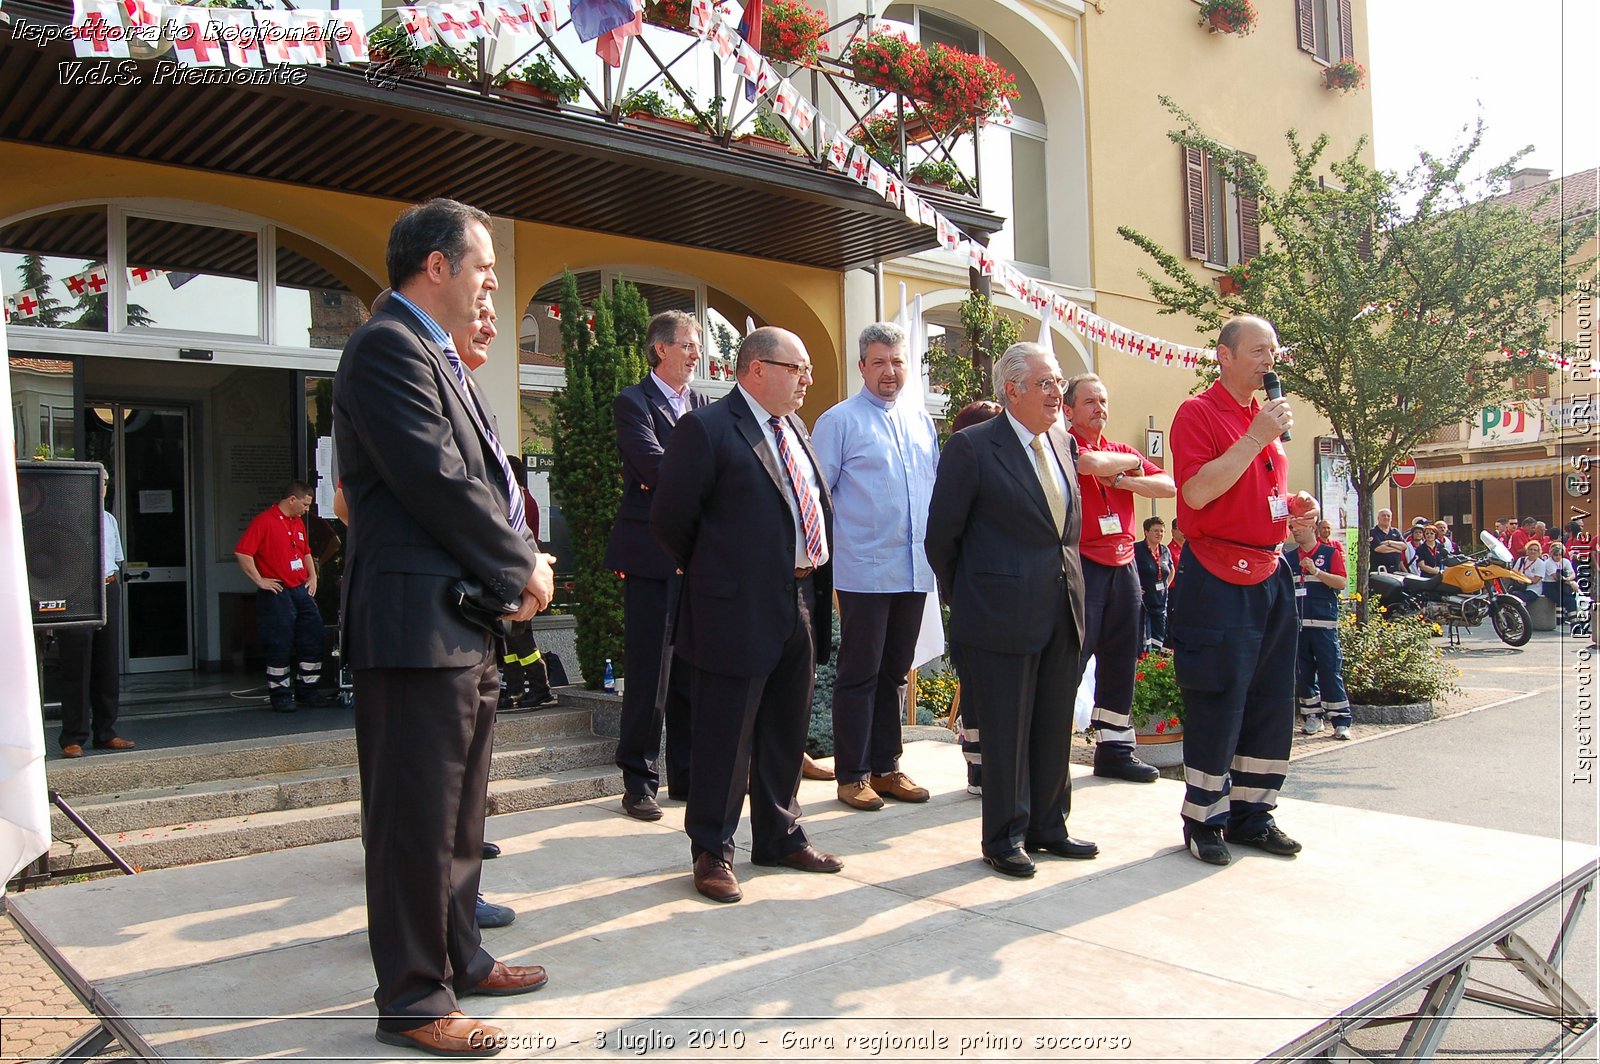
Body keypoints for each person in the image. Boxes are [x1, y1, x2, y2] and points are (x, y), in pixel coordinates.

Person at [334, 198, 555, 1056]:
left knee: (461, 820)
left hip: (459, 624)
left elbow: (485, 479)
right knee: (414, 823)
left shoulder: (439, 354)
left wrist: (513, 566)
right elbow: (436, 481)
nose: (493, 285)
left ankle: (462, 956)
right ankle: (415, 1000)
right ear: (436, 267)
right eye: (485, 270)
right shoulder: (388, 347)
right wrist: (522, 567)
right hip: (413, 627)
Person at [652, 327, 843, 904]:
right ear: (756, 369)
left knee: (786, 727)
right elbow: (670, 522)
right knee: (724, 736)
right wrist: (723, 577)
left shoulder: (797, 431)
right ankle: (712, 848)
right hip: (733, 608)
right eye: (798, 368)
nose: (807, 379)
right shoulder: (706, 430)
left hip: (799, 601)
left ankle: (780, 833)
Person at [925, 342, 1096, 878]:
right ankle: (1004, 837)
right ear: (1013, 389)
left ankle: (1050, 826)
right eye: (1045, 383)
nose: (1057, 392)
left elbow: (1062, 534)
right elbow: (941, 539)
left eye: (1059, 382)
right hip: (998, 617)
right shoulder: (973, 448)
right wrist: (975, 598)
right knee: (1005, 733)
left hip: (1061, 609)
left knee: (1052, 725)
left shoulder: (1063, 445)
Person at [1168, 314, 1319, 867]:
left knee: (1271, 696)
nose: (1269, 361)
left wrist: (1294, 510)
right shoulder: (1198, 414)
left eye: (1273, 351)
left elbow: (1256, 493)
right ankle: (1205, 817)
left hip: (1271, 571)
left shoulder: (1265, 423)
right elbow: (1198, 493)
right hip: (1216, 573)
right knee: (1218, 695)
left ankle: (1255, 813)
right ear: (1223, 356)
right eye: (1258, 351)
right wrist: (1257, 439)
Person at [811, 322, 939, 811]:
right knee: (859, 673)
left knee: (894, 675)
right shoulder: (839, 422)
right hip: (863, 571)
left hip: (913, 569)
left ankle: (886, 766)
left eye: (898, 361)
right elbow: (818, 501)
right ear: (862, 366)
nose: (890, 371)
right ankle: (852, 774)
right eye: (879, 362)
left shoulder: (921, 421)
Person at [604, 310, 706, 821]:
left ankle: (686, 776)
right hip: (650, 557)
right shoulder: (633, 401)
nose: (695, 353)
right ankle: (638, 781)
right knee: (650, 672)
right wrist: (701, 477)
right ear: (660, 349)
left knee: (691, 668)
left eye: (697, 344)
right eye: (687, 344)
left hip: (697, 556)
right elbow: (654, 466)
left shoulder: (704, 403)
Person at [1064, 373, 1176, 784]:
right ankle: (1052, 749)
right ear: (1069, 409)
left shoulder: (1122, 451)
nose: (1100, 409)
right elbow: (1089, 464)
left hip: (1124, 564)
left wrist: (1126, 478)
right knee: (1073, 656)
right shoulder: (1066, 443)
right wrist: (1128, 464)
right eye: (1090, 401)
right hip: (1085, 563)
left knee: (1122, 658)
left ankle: (1115, 748)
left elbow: (1167, 485)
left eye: (1104, 401)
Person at [944, 399, 1004, 797]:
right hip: (975, 597)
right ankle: (978, 766)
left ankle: (999, 765)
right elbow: (944, 539)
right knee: (978, 689)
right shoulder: (964, 466)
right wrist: (958, 592)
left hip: (1009, 598)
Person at [57, 466, 133, 758]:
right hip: (78, 590)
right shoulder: (67, 519)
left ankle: (106, 731)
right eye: (96, 482)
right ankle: (73, 736)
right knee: (77, 663)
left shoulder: (109, 519)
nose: (101, 487)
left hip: (107, 585)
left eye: (104, 483)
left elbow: (116, 559)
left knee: (106, 662)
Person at [235, 481, 332, 711]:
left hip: (300, 589)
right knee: (279, 643)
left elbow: (305, 551)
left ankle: (308, 691)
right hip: (277, 591)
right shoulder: (264, 521)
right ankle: (281, 695)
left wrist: (313, 577)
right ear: (292, 500)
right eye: (305, 504)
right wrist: (260, 580)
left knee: (313, 636)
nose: (306, 509)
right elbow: (243, 552)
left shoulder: (297, 522)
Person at [1286, 523, 1351, 740]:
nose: (1294, 530)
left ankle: (1341, 720)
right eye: (1292, 526)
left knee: (1330, 671)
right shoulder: (1289, 557)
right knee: (1303, 674)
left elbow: (1341, 582)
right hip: (1298, 627)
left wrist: (1316, 571)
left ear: (1313, 527)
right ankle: (1312, 717)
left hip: (1324, 625)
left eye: (1300, 526)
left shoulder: (1330, 553)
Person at [1133, 517, 1174, 651]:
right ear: (1146, 532)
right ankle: (1144, 663)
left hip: (1161, 600)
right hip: (1144, 602)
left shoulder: (1165, 550)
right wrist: (1135, 587)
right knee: (1145, 638)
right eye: (1156, 531)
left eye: (1162, 531)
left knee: (1159, 636)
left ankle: (1155, 663)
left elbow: (1171, 570)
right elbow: (1129, 570)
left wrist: (1166, 585)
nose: (1159, 534)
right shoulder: (1137, 549)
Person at [1544, 542, 1580, 624]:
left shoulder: (1565, 561)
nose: (1558, 557)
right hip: (1550, 586)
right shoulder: (1548, 563)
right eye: (1556, 555)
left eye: (1560, 554)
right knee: (1568, 600)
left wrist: (1569, 579)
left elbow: (1573, 574)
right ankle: (1574, 622)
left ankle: (1574, 622)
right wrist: (1571, 583)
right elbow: (1556, 577)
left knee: (1571, 600)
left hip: (1562, 585)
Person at [1511, 541, 1551, 606]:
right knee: (1511, 595)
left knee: (1519, 596)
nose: (1532, 552)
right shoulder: (1521, 560)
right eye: (1530, 549)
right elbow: (1514, 573)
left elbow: (1535, 580)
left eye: (1535, 550)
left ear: (1538, 552)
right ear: (1527, 550)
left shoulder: (1541, 564)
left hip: (1533, 589)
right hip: (1519, 586)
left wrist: (1523, 578)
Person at [1368, 509, 1407, 574]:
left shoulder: (1396, 531)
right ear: (1378, 518)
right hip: (1379, 570)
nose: (1386, 517)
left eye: (1388, 516)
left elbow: (1404, 546)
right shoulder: (1373, 532)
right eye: (1383, 515)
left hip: (1395, 570)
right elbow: (1378, 548)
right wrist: (1396, 549)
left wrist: (1390, 542)